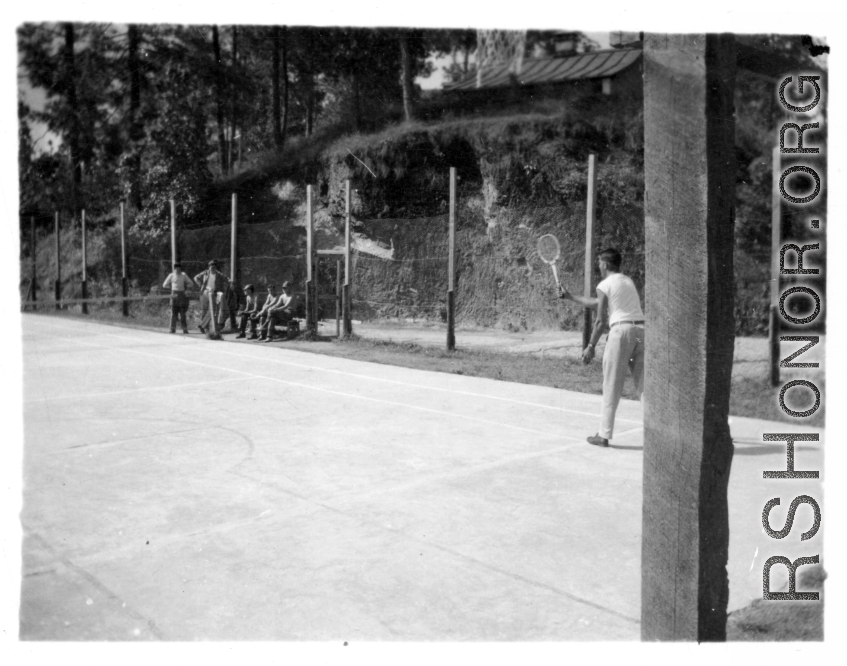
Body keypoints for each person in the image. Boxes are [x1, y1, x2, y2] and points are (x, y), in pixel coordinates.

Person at [558, 248, 644, 448]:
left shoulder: (605, 284)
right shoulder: (627, 281)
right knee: (644, 388)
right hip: (641, 332)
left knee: (611, 385)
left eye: (599, 263)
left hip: (621, 333)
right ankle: (656, 435)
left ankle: (603, 435)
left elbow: (600, 320)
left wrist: (590, 346)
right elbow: (599, 303)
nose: (598, 265)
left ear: (605, 264)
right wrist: (570, 296)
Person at [194, 260, 229, 334]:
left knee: (212, 309)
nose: (212, 269)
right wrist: (201, 285)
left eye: (214, 267)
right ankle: (204, 328)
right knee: (204, 310)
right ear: (209, 267)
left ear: (216, 268)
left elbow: (226, 278)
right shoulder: (205, 273)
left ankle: (203, 326)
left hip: (213, 293)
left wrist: (230, 280)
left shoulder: (219, 274)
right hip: (205, 292)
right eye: (211, 267)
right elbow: (195, 278)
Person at [162, 262, 196, 334]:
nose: (178, 270)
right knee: (174, 313)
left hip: (182, 295)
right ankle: (172, 329)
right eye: (176, 269)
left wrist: (187, 288)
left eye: (179, 269)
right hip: (174, 295)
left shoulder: (183, 275)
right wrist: (171, 287)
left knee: (183, 313)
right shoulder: (171, 275)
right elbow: (164, 285)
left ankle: (184, 329)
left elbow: (191, 283)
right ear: (174, 269)